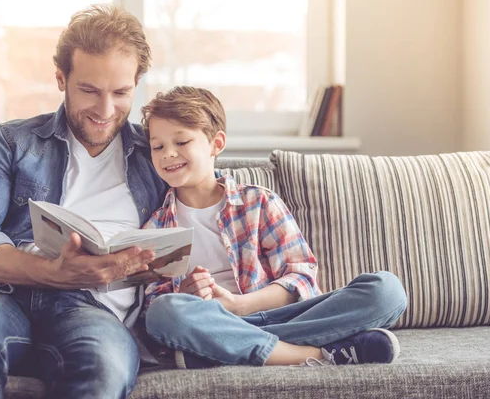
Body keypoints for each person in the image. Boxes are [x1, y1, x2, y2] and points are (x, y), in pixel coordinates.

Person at [0, 4, 168, 399]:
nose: (105, 112)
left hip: (93, 313)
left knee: (106, 364)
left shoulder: (157, 152)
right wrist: (55, 271)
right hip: (4, 299)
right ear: (61, 78)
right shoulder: (9, 142)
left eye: (121, 92)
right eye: (89, 90)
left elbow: (210, 211)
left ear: (137, 84)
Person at [140, 86, 408, 369]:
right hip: (211, 323)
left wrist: (239, 305)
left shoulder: (258, 202)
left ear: (216, 144)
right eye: (158, 147)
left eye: (181, 142)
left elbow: (301, 277)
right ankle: (314, 354)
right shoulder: (157, 227)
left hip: (280, 315)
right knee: (163, 313)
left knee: (386, 291)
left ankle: (220, 352)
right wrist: (187, 296)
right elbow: (154, 305)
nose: (168, 154)